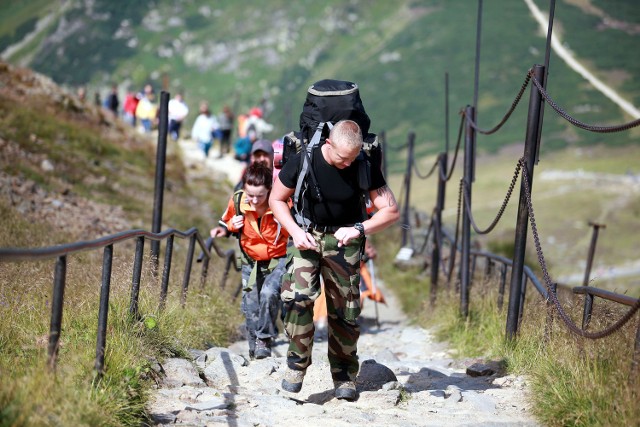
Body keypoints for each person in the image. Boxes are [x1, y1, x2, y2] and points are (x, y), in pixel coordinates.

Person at [269, 119, 399, 401]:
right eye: (342, 158)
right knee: (298, 299)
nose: (347, 164)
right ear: (329, 144)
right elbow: (276, 199)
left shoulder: (362, 163)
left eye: (352, 158)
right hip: (306, 236)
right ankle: (296, 365)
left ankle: (344, 377)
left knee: (345, 310)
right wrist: (294, 231)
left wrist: (359, 229)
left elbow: (390, 212)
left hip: (346, 243)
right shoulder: (304, 159)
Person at [213, 162, 289, 359]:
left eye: (260, 196)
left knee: (269, 294)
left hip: (277, 259)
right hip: (249, 259)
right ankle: (254, 343)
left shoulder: (281, 204)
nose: (254, 200)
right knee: (250, 301)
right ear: (244, 188)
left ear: (270, 191)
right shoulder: (238, 201)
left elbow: (294, 230)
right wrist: (230, 226)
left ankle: (264, 339)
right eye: (250, 195)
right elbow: (224, 224)